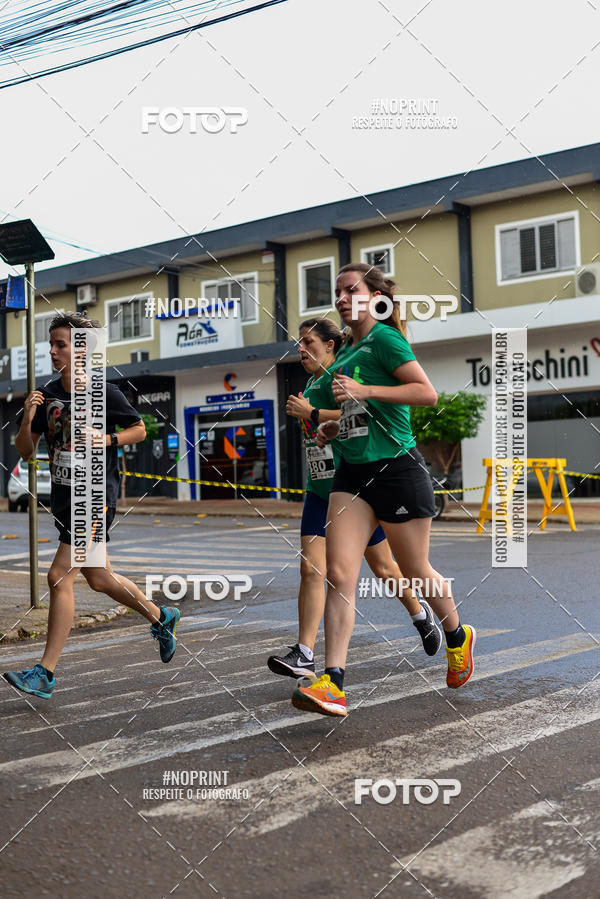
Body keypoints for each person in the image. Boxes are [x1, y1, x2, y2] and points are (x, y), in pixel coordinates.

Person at [292, 264, 476, 717]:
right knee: (339, 572)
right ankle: (332, 681)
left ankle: (456, 635)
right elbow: (357, 416)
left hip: (397, 469)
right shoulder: (350, 349)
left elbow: (426, 393)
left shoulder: (386, 340)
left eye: (350, 288)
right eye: (337, 290)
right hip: (351, 474)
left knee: (413, 570)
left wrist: (367, 389)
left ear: (375, 297)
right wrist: (332, 430)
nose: (340, 296)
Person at [3, 313, 180, 700]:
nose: (52, 351)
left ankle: (45, 673)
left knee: (58, 576)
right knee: (99, 579)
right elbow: (26, 451)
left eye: (61, 344)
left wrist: (105, 439)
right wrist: (29, 416)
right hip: (66, 498)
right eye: (51, 344)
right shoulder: (47, 394)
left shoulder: (103, 392)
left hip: (95, 495)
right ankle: (161, 616)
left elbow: (139, 429)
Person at [267, 317, 441, 681]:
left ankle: (420, 613)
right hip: (321, 490)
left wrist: (311, 414)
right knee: (311, 568)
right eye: (299, 343)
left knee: (385, 568)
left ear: (331, 345)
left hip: (356, 491)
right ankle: (304, 653)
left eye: (308, 341)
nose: (301, 349)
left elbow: (362, 415)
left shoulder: (342, 377)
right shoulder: (314, 381)